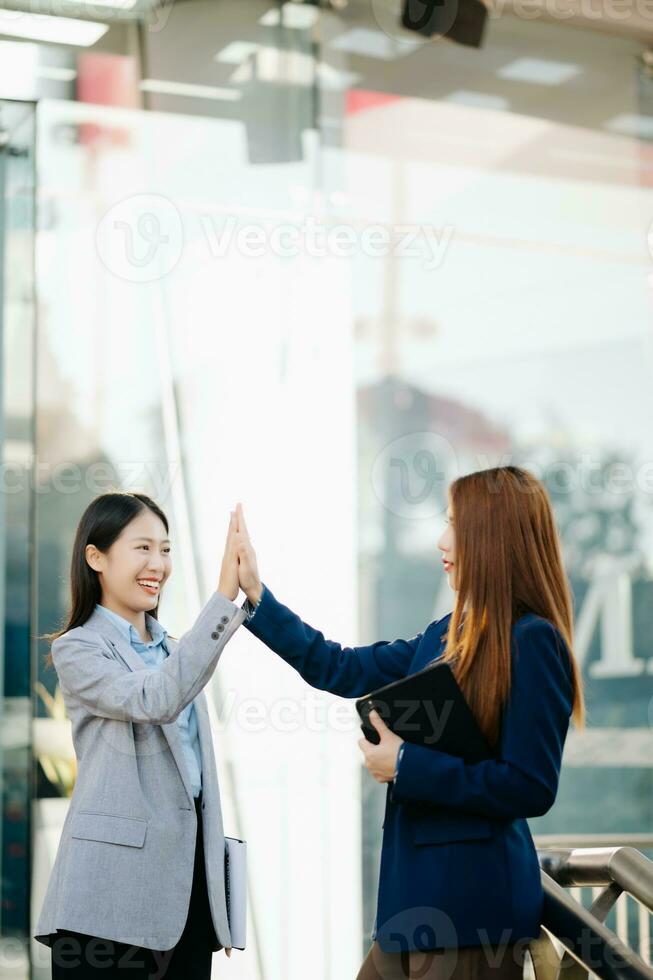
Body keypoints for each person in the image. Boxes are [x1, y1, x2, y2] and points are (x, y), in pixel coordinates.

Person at [233, 466, 586, 980]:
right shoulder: (444, 634)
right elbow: (339, 666)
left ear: (491, 538)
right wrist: (257, 598)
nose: (442, 541)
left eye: (455, 526)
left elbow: (530, 787)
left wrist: (404, 762)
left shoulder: (532, 641)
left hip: (471, 916)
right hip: (412, 910)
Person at [33, 491, 248, 978]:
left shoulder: (176, 651)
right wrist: (222, 601)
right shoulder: (79, 649)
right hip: (109, 901)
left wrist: (215, 890)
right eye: (143, 548)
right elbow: (153, 699)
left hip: (187, 891)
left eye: (166, 549)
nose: (159, 563)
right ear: (96, 558)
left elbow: (194, 783)